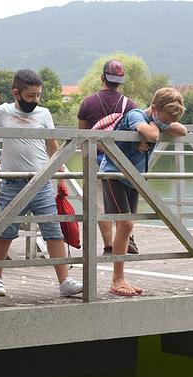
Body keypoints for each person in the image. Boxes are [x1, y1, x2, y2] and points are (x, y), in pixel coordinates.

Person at [0, 69, 83, 298]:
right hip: (12, 182)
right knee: (5, 231)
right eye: (30, 96)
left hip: (41, 180)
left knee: (53, 230)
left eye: (38, 95)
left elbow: (52, 146)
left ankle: (64, 281)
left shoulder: (44, 114)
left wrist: (61, 178)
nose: (35, 100)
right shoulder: (1, 112)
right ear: (16, 93)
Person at [100, 87, 187, 296]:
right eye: (163, 118)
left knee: (127, 226)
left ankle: (121, 277)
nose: (165, 123)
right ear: (154, 107)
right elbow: (152, 134)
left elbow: (182, 130)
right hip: (114, 174)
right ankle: (117, 279)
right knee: (125, 223)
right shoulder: (135, 115)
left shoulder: (157, 119)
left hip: (133, 178)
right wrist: (155, 128)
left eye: (168, 121)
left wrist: (162, 124)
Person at [77, 59, 138, 255]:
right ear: (120, 81)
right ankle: (126, 238)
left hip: (95, 159)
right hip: (121, 163)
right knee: (124, 206)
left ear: (102, 77)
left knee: (100, 205)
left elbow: (81, 135)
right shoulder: (130, 105)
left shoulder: (88, 103)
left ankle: (109, 245)